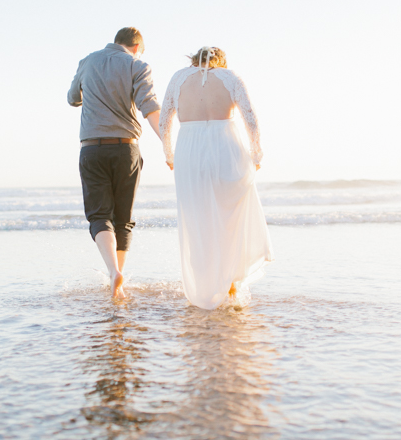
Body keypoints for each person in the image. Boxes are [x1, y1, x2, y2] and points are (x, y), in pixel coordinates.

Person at [159, 47, 273, 309]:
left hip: (189, 151)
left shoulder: (178, 78)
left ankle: (206, 285)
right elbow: (251, 120)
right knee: (230, 217)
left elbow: (165, 121)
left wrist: (169, 154)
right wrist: (256, 155)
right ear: (220, 62)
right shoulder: (231, 77)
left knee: (196, 218)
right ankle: (231, 282)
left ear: (194, 61)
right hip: (226, 149)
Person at [68, 27, 162, 299]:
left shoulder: (88, 61)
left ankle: (112, 272)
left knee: (99, 215)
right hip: (126, 149)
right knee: (123, 219)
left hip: (92, 149)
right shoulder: (138, 64)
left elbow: (73, 98)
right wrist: (168, 144)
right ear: (136, 47)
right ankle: (118, 274)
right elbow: (149, 107)